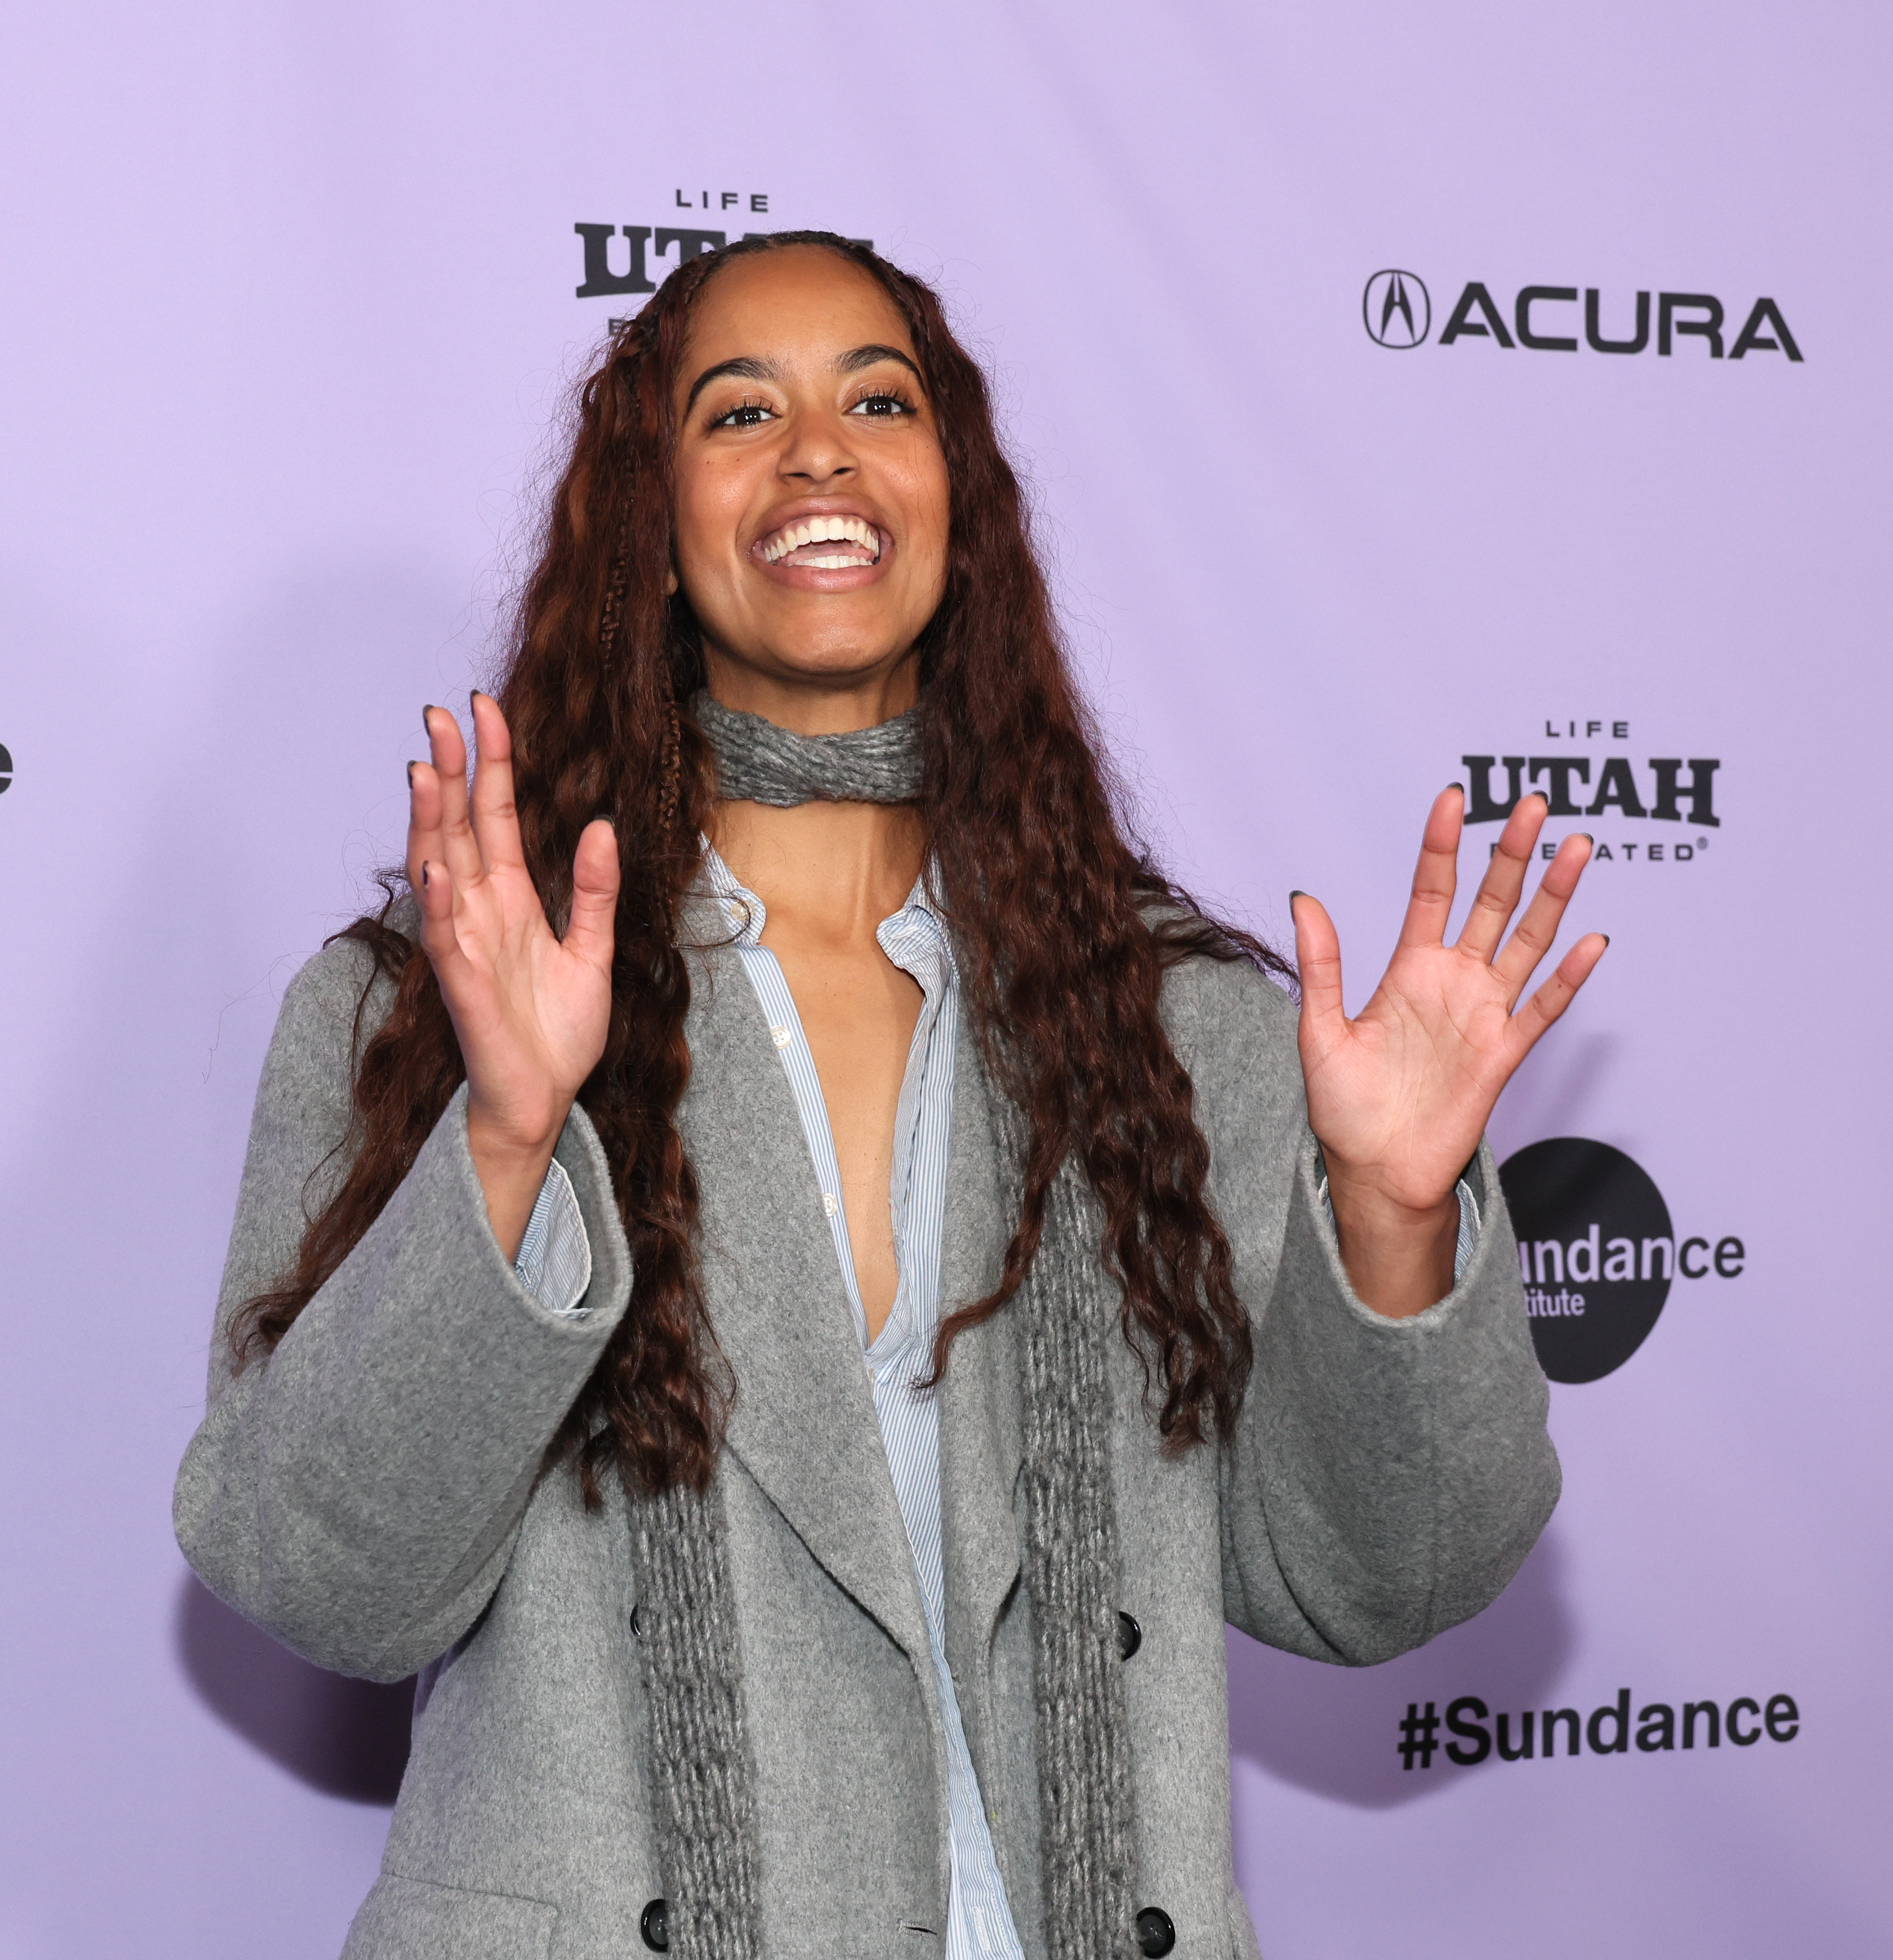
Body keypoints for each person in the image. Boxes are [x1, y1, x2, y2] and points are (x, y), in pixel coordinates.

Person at [176, 232, 1600, 1960]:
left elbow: (1387, 1580)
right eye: (737, 411)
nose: (821, 453)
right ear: (652, 514)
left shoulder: (1172, 1025)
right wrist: (508, 1139)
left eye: (878, 397)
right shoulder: (431, 1008)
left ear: (957, 491)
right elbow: (318, 1581)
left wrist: (1391, 1215)